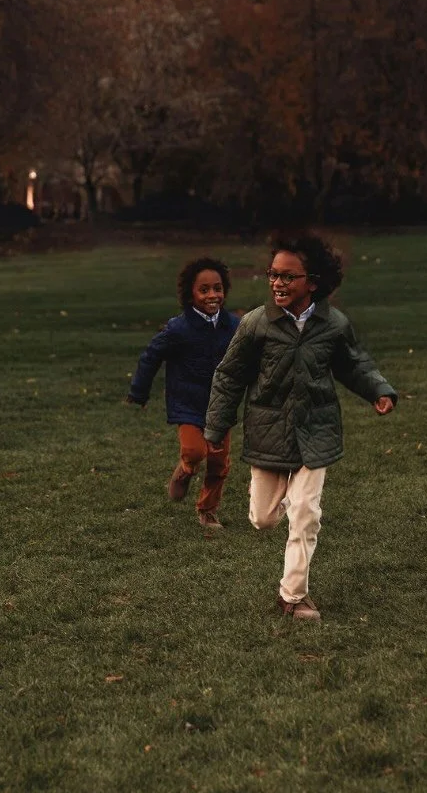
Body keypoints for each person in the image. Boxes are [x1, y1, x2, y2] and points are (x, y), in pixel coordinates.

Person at [204, 234, 397, 619]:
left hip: (317, 429)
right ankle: (280, 500)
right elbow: (229, 376)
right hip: (268, 430)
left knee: (306, 513)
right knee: (263, 519)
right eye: (273, 274)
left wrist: (378, 390)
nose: (277, 283)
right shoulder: (256, 324)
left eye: (288, 277)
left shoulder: (334, 324)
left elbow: (354, 365)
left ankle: (292, 597)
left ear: (313, 282)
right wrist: (216, 426)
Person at [127, 257, 240, 529]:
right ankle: (186, 470)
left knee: (219, 462)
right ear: (190, 294)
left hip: (221, 405)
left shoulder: (233, 326)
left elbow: (248, 357)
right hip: (187, 404)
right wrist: (139, 392)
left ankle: (208, 510)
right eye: (204, 290)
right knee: (195, 451)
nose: (212, 295)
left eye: (217, 288)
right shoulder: (178, 328)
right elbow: (151, 356)